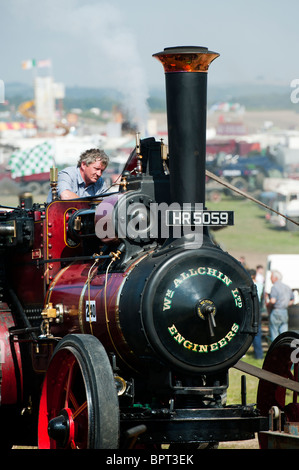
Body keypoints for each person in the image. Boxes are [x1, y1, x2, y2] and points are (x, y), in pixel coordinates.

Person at [266, 270, 294, 342]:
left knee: (275, 334)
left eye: (271, 277)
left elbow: (273, 301)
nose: (270, 278)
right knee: (284, 334)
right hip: (284, 311)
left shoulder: (274, 287)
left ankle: (275, 351)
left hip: (276, 311)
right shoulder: (287, 287)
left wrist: (268, 305)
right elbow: (292, 300)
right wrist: (285, 304)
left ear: (275, 278)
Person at [249, 269, 264, 359]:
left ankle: (258, 354)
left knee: (255, 333)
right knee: (258, 332)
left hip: (252, 308)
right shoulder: (261, 284)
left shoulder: (251, 285)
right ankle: (259, 354)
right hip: (258, 308)